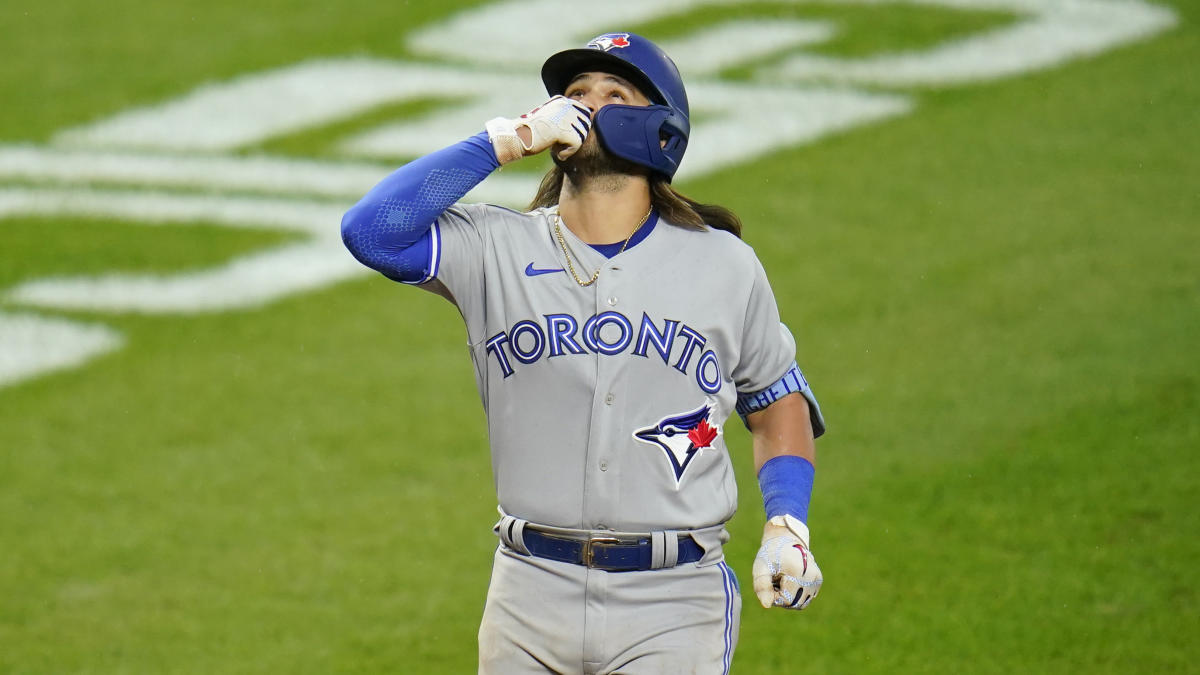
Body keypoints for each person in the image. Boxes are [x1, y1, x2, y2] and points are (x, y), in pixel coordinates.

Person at [341, 32, 827, 675]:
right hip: (528, 594)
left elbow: (775, 399)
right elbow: (371, 231)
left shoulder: (724, 266)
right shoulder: (495, 247)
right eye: (573, 95)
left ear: (661, 132)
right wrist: (503, 140)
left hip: (673, 600)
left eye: (613, 94)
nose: (584, 106)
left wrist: (787, 523)